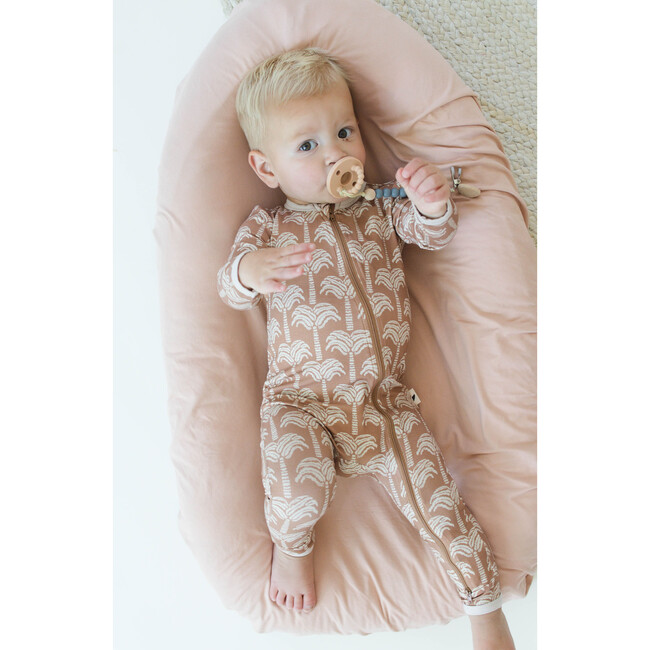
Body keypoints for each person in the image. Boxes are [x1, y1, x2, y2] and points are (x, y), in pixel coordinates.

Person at [217, 48, 516, 649]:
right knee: (296, 487)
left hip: (385, 405)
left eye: (344, 132)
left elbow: (431, 231)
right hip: (301, 402)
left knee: (440, 505)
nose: (335, 154)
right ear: (266, 168)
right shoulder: (269, 227)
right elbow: (227, 285)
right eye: (307, 146)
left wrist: (430, 201)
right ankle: (294, 548)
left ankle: (485, 609)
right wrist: (251, 270)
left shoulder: (377, 210)